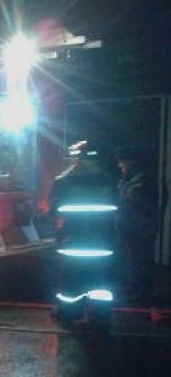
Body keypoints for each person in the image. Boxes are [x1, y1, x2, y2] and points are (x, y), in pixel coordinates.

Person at [47, 141, 117, 330]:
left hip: (73, 244)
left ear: (75, 157)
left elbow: (52, 209)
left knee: (70, 283)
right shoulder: (108, 180)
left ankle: (68, 314)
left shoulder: (63, 180)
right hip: (102, 245)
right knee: (101, 285)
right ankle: (100, 320)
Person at [115, 143, 158, 303]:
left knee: (138, 262)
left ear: (131, 161)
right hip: (132, 228)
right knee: (133, 261)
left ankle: (141, 294)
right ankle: (136, 291)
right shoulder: (132, 179)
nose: (120, 165)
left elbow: (131, 202)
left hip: (138, 230)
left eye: (122, 162)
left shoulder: (141, 181)